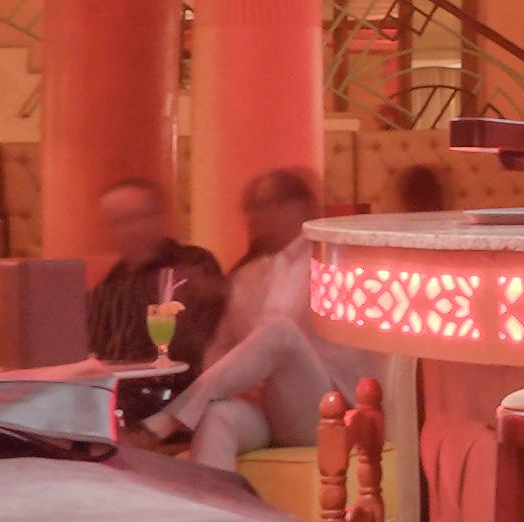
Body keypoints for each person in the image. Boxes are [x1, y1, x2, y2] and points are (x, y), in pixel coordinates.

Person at [143, 166, 379, 472]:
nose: (255, 218)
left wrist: (271, 368)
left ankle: (166, 421)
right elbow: (219, 347)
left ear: (303, 207)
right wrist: (240, 380)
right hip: (264, 411)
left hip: (330, 412)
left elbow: (350, 350)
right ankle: (217, 516)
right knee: (219, 418)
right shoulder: (247, 276)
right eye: (251, 208)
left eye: (268, 205)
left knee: (280, 333)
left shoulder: (335, 265)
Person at [79, 175, 234, 370]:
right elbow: (96, 351)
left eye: (137, 217)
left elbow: (196, 347)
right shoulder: (108, 286)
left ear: (160, 218)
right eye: (118, 222)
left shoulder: (193, 264)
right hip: (118, 391)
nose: (129, 230)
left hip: (180, 388)